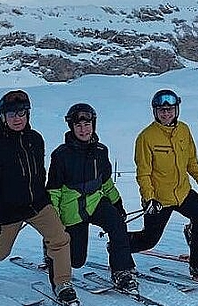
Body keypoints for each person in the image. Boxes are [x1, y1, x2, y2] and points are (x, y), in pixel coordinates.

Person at [0, 90, 79, 306]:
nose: (17, 118)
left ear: (28, 114)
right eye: (11, 114)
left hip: (38, 204)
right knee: (0, 252)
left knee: (59, 239)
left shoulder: (35, 139)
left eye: (21, 112)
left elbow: (39, 172)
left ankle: (63, 283)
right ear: (3, 117)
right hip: (7, 210)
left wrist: (45, 197)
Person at [129, 89, 198, 285]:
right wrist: (149, 198)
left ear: (176, 110)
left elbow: (191, 162)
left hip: (182, 192)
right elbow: (143, 173)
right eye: (162, 110)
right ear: (155, 112)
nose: (166, 114)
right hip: (159, 198)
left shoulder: (184, 130)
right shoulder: (146, 137)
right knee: (149, 240)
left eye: (170, 109)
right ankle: (119, 245)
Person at [46, 103, 138, 293]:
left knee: (117, 223)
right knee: (77, 260)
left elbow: (106, 182)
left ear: (93, 125)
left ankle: (122, 271)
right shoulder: (61, 155)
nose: (83, 129)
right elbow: (54, 191)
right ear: (72, 127)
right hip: (72, 209)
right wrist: (53, 221)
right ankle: (51, 251)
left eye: (87, 124)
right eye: (78, 125)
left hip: (96, 202)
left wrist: (116, 202)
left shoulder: (101, 151)